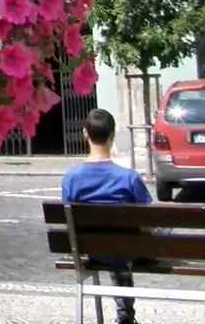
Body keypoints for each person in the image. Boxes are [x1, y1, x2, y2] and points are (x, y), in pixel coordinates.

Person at [60, 107, 152, 324]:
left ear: (85, 134)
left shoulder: (71, 179)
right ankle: (126, 317)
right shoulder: (129, 178)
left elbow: (68, 223)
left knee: (111, 244)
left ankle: (125, 316)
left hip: (89, 249)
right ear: (112, 136)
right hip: (127, 251)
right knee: (124, 245)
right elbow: (148, 222)